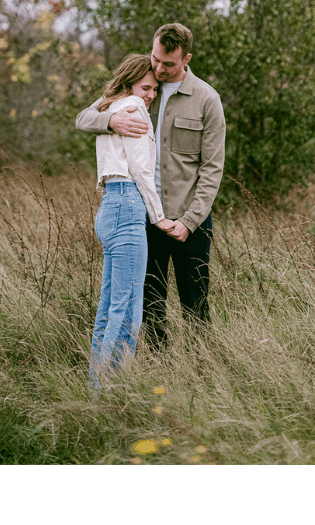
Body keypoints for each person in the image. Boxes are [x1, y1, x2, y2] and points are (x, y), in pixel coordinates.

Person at [75, 23, 225, 348]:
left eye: (168, 64)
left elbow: (212, 169)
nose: (159, 69)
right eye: (156, 58)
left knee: (196, 305)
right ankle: (158, 375)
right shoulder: (140, 83)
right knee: (150, 306)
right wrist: (110, 121)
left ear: (186, 59)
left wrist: (189, 222)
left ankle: (204, 376)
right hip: (145, 218)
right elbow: (84, 118)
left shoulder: (206, 99)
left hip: (190, 221)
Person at [87, 54, 175, 387]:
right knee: (127, 311)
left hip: (109, 205)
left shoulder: (108, 109)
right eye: (146, 87)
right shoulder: (134, 108)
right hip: (127, 205)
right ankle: (113, 390)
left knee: (109, 308)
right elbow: (141, 171)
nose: (150, 95)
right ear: (131, 83)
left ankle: (97, 388)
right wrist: (160, 217)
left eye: (154, 89)